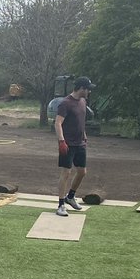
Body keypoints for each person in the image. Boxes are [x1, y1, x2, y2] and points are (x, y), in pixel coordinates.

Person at [53, 76, 96, 216]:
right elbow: (58, 123)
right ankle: (61, 205)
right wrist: (61, 141)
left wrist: (84, 134)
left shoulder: (83, 101)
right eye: (88, 89)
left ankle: (70, 197)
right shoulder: (66, 103)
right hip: (68, 144)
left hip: (80, 143)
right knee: (66, 173)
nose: (89, 92)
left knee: (82, 172)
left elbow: (80, 121)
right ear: (81, 88)